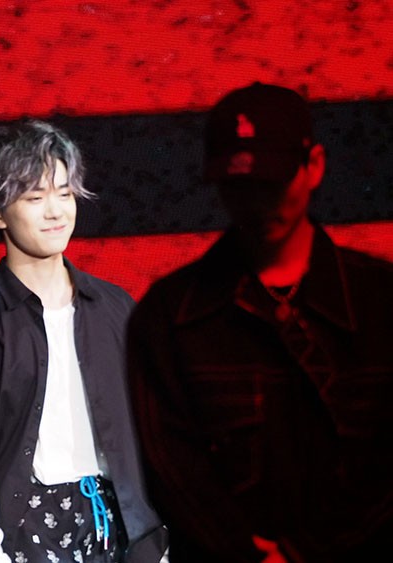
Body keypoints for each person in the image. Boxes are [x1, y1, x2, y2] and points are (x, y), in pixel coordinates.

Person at [126, 82, 393, 562]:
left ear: (314, 166)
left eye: (271, 182)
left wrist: (303, 552)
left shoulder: (382, 299)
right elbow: (168, 468)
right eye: (239, 186)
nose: (256, 202)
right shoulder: (168, 316)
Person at [0, 120, 167, 563]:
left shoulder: (114, 307)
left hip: (125, 522)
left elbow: (158, 424)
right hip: (32, 527)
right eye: (35, 198)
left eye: (64, 193)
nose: (56, 211)